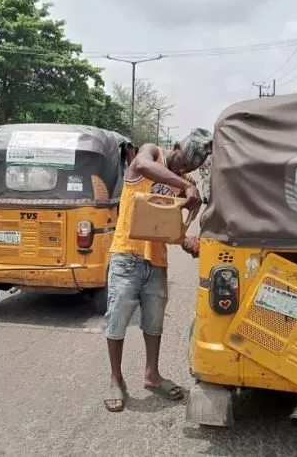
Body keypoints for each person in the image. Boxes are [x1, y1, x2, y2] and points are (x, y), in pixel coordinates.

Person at [104, 128, 212, 412]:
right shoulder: (151, 154)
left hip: (157, 262)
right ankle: (116, 379)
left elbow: (168, 226)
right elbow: (141, 165)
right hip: (126, 256)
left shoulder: (183, 182)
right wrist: (188, 186)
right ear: (175, 146)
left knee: (154, 323)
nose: (184, 169)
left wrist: (186, 239)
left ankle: (152, 374)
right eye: (182, 161)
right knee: (117, 319)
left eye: (190, 168)